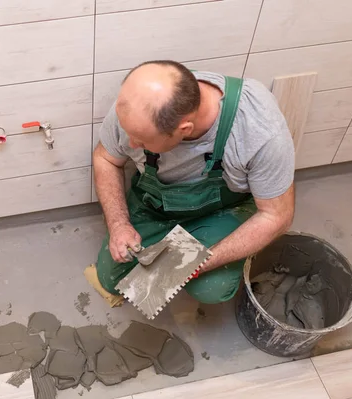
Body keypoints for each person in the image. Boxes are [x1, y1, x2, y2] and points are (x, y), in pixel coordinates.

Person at [90, 60, 295, 305]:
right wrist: (119, 225)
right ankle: (175, 239)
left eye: (142, 141)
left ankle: (202, 243)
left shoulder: (257, 128)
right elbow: (106, 158)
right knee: (112, 280)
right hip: (155, 203)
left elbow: (276, 216)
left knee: (211, 288)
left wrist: (198, 264)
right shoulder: (136, 105)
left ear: (184, 129)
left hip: (223, 208)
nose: (131, 144)